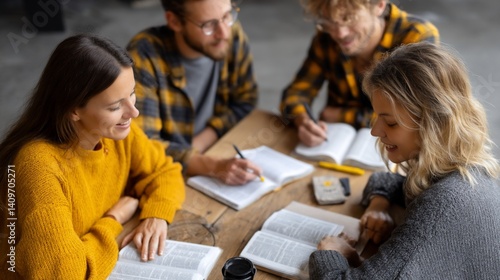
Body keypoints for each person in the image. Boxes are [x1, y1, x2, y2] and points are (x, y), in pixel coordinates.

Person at [308, 42, 500, 279]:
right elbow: (392, 181)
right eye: (377, 116)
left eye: (390, 122)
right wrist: (379, 204)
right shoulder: (466, 171)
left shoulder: (442, 205)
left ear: (433, 124)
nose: (375, 131)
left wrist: (330, 252)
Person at [0, 34, 186, 279]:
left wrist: (157, 215)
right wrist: (113, 218)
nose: (134, 111)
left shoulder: (116, 133)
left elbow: (166, 171)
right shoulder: (38, 168)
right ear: (74, 109)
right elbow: (66, 275)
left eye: (132, 93)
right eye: (114, 106)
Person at [126, 0, 262, 185]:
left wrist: (201, 141)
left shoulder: (231, 33)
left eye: (226, 15)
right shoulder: (145, 54)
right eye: (208, 25)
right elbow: (143, 146)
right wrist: (212, 166)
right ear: (174, 22)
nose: (223, 33)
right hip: (164, 175)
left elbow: (246, 99)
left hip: (215, 150)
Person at [280, 0, 439, 147]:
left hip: (398, 149)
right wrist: (303, 121)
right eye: (329, 21)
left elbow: (414, 116)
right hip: (335, 144)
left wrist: (340, 116)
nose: (339, 34)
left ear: (379, 6)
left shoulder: (417, 37)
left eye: (349, 19)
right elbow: (295, 93)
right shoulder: (325, 39)